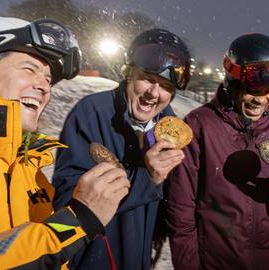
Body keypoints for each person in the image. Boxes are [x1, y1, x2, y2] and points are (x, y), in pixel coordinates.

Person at [0, 17, 130, 269]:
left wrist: (73, 220)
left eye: (48, 78)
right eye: (29, 68)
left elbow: (33, 249)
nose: (44, 86)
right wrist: (77, 221)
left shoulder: (27, 168)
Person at [165, 33, 269, 270]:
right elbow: (181, 210)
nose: (262, 99)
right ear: (231, 81)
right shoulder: (199, 125)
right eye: (252, 91)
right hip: (219, 261)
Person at [52, 28, 191, 269]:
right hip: (95, 258)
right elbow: (65, 200)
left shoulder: (170, 127)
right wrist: (147, 177)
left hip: (139, 256)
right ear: (128, 73)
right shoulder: (93, 113)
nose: (153, 93)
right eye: (147, 78)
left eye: (166, 86)